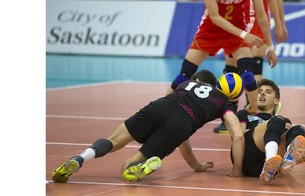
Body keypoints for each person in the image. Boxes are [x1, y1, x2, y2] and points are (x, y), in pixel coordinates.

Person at [51, 70, 246, 183]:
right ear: (235, 95)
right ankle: (143, 165)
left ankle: (81, 157)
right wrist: (236, 170)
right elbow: (237, 136)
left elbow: (178, 113)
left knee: (113, 140)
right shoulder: (224, 103)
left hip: (161, 105)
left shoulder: (187, 84)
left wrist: (196, 166)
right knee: (126, 168)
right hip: (182, 124)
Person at [166, 0, 277, 115]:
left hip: (236, 32)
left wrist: (270, 47)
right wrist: (244, 35)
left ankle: (259, 118)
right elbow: (215, 17)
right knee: (184, 75)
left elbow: (262, 15)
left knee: (248, 76)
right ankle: (163, 109)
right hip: (210, 30)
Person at [214, 0, 287, 133]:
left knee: (252, 71)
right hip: (236, 23)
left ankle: (258, 113)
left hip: (256, 21)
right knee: (231, 71)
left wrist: (280, 23)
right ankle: (230, 116)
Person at [232, 78, 305, 183]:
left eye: (268, 92)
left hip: (258, 168)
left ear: (276, 101)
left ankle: (287, 161)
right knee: (277, 121)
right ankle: (271, 160)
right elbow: (238, 136)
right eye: (260, 92)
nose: (262, 94)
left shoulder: (283, 121)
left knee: (298, 129)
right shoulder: (244, 114)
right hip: (245, 156)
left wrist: (301, 155)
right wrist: (264, 128)